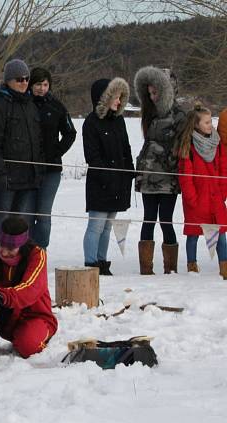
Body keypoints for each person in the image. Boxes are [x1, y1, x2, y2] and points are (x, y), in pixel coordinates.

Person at [0, 216, 57, 358]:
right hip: (6, 323)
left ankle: (42, 334)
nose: (4, 252)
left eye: (11, 248)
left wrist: (4, 296)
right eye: (1, 245)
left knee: (27, 347)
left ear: (22, 246)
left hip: (35, 317)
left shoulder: (37, 256)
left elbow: (30, 289)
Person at [0, 59, 43, 250]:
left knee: (19, 225)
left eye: (26, 79)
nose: (24, 82)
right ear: (8, 80)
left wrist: (37, 169)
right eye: (19, 79)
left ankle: (14, 262)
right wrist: (1, 172)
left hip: (27, 176)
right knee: (0, 221)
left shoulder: (31, 105)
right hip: (6, 178)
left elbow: (37, 141)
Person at [134, 66, 187, 275]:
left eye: (156, 92)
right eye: (149, 93)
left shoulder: (179, 116)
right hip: (148, 176)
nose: (152, 96)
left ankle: (170, 268)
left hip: (168, 178)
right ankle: (146, 268)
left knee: (166, 219)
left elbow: (181, 147)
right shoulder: (149, 112)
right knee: (148, 218)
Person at [81, 78, 134, 275]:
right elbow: (92, 156)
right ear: (104, 98)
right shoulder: (90, 123)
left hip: (119, 182)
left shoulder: (119, 120)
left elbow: (126, 149)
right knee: (96, 225)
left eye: (120, 97)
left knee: (107, 226)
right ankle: (91, 262)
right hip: (100, 183)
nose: (119, 102)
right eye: (115, 97)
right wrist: (108, 177)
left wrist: (129, 172)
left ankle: (102, 261)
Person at [177, 103, 227, 278]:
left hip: (216, 199)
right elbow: (185, 178)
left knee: (221, 234)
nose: (210, 125)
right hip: (197, 201)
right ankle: (192, 267)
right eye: (206, 122)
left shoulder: (217, 143)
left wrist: (222, 193)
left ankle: (224, 268)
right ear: (196, 125)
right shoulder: (188, 146)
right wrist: (193, 200)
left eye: (210, 121)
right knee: (193, 235)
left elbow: (223, 168)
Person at [29, 67, 76, 248]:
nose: (41, 88)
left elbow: (70, 132)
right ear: (31, 85)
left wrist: (57, 151)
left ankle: (40, 251)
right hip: (27, 167)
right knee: (27, 213)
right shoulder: (25, 104)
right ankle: (26, 250)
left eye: (45, 84)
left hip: (51, 170)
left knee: (43, 213)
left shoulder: (57, 106)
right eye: (38, 84)